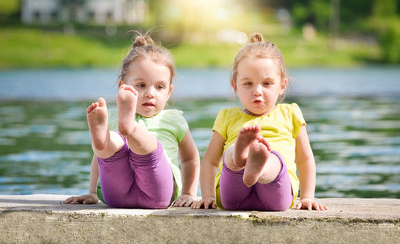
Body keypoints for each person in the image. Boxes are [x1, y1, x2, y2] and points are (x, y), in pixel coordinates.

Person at [192, 33, 327, 211]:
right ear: (235, 86)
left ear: (282, 86)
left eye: (267, 83)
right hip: (232, 194)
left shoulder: (290, 113)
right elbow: (209, 161)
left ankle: (259, 164)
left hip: (276, 193)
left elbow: (305, 159)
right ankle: (240, 156)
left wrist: (308, 197)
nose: (257, 91)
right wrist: (207, 196)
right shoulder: (227, 116)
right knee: (231, 156)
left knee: (273, 160)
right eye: (248, 84)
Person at [64, 32, 200, 208]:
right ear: (123, 87)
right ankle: (108, 138)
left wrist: (189, 193)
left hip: (156, 193)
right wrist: (92, 193)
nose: (150, 93)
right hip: (117, 194)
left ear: (169, 92)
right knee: (108, 147)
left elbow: (190, 158)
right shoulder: (113, 117)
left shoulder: (173, 119)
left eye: (159, 87)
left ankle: (130, 129)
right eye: (141, 85)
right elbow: (98, 158)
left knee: (143, 147)